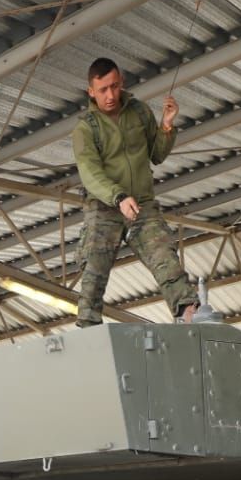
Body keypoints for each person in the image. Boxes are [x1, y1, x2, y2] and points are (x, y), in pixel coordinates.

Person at [71, 57, 198, 327]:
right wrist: (118, 196)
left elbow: (157, 154)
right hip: (105, 207)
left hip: (141, 204)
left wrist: (166, 125)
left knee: (165, 257)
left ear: (122, 83)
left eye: (115, 87)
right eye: (103, 89)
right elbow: (90, 173)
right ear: (90, 92)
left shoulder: (138, 112)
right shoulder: (85, 129)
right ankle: (87, 330)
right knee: (93, 272)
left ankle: (190, 317)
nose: (110, 95)